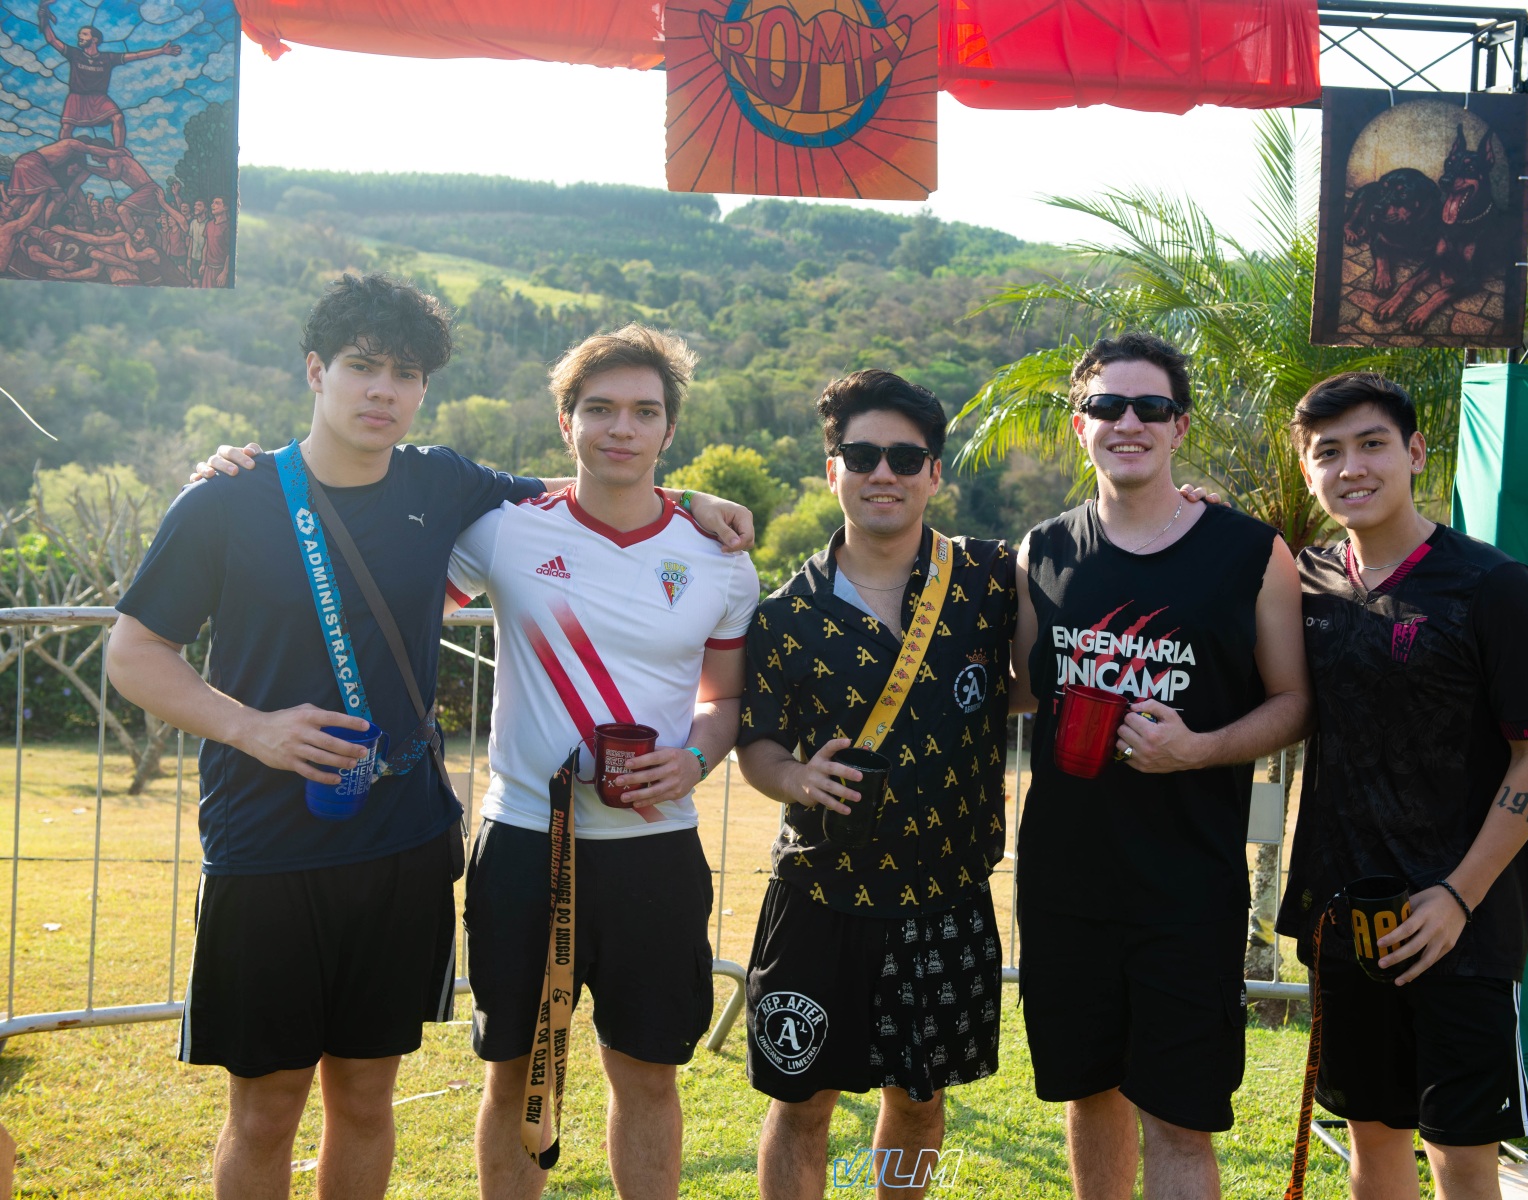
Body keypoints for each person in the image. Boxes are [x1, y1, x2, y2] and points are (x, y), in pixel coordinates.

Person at [110, 273, 751, 1200]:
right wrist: (252, 729)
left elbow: (600, 485)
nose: (383, 390)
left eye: (405, 374)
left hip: (404, 841)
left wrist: (691, 498)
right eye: (362, 367)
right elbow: (133, 654)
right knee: (266, 1109)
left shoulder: (442, 485)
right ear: (315, 371)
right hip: (267, 839)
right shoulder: (228, 499)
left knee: (368, 1100)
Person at [446, 324, 759, 1200]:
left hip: (654, 852)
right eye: (600, 409)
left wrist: (693, 759)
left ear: (670, 430)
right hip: (524, 843)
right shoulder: (503, 533)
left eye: (644, 412)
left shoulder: (722, 561)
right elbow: (400, 588)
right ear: (567, 422)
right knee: (516, 1077)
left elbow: (723, 700)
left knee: (647, 1077)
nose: (622, 428)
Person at [1011, 332, 1311, 1200]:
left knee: (1180, 1119)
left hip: (1187, 888)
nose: (1128, 422)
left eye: (1151, 407)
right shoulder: (1042, 551)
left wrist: (1200, 749)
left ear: (1180, 426)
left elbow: (1295, 701)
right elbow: (1021, 691)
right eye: (1107, 405)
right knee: (1088, 1093)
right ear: (1081, 425)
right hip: (1066, 884)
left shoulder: (1250, 552)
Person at [1273, 372, 1528, 1200]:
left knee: (1462, 1157)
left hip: (1461, 926)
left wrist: (1458, 897)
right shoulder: (1306, 578)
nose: (1351, 468)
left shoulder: (1492, 585)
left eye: (1372, 444)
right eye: (1327, 452)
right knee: (1372, 1143)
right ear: (1308, 470)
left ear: (1415, 452)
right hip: (1346, 916)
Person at [736, 370, 1018, 1199]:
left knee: (921, 1106)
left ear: (935, 472)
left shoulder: (990, 577)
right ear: (833, 470)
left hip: (946, 893)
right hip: (820, 893)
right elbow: (756, 744)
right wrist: (794, 776)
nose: (882, 473)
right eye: (861, 456)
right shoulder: (783, 614)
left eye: (904, 457)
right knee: (801, 1106)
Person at [37, 2, 180, 146]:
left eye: (84, 34)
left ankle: (120, 151)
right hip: (77, 97)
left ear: (94, 39)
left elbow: (136, 55)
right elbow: (52, 40)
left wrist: (161, 51)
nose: (80, 36)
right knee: (67, 127)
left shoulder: (108, 58)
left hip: (99, 98)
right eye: (80, 34)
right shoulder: (74, 54)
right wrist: (45, 21)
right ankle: (61, 151)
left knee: (118, 118)